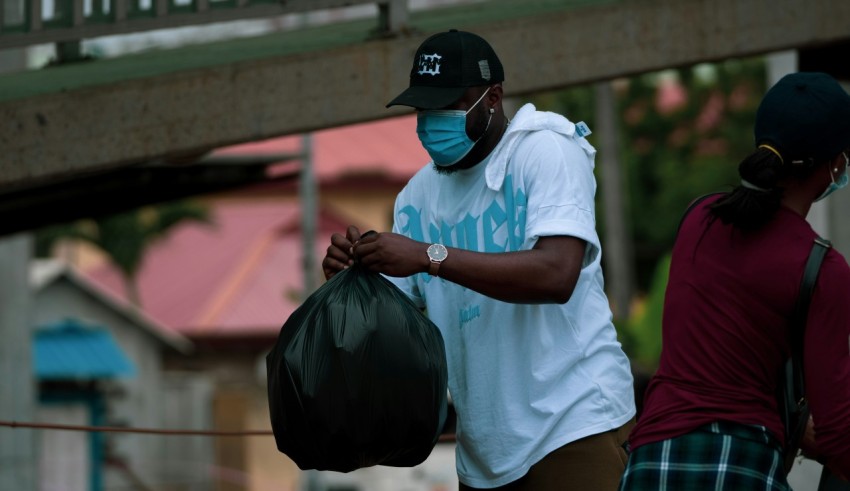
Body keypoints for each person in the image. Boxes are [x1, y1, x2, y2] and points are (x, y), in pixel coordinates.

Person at [321, 29, 636, 490]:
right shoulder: (417, 196)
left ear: (492, 98)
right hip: (485, 450)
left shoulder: (544, 150)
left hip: (573, 423)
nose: (430, 122)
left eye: (446, 107)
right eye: (422, 110)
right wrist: (349, 278)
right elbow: (393, 327)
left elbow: (557, 273)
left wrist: (429, 256)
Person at [618, 71, 850, 491]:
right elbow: (837, 429)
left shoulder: (698, 218)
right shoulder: (822, 268)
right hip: (740, 464)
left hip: (651, 461)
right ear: (835, 162)